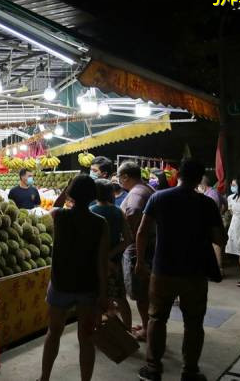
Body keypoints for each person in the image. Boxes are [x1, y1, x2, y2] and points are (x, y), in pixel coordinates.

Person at [136, 160, 225, 381]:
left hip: (163, 269)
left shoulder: (159, 198)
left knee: (156, 318)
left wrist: (140, 262)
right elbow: (219, 239)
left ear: (179, 175)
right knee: (194, 323)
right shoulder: (206, 204)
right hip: (194, 273)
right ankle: (190, 371)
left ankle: (153, 368)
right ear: (199, 179)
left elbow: (142, 232)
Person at [39, 175, 109, 381]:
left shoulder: (60, 216)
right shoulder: (100, 223)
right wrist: (103, 294)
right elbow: (102, 262)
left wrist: (66, 191)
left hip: (61, 283)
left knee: (53, 333)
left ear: (71, 193)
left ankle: (44, 378)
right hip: (88, 287)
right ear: (93, 196)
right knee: (86, 338)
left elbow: (54, 206)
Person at [117, 161, 156, 342]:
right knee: (145, 291)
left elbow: (132, 213)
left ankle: (148, 330)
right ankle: (147, 323)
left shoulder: (136, 194)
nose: (118, 181)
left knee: (141, 293)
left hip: (137, 250)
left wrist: (128, 234)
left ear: (125, 176)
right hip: (147, 246)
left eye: (119, 177)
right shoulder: (145, 188)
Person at [91, 179, 135, 329]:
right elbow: (128, 239)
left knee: (96, 299)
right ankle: (128, 331)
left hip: (95, 264)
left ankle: (97, 334)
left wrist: (103, 257)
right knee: (121, 299)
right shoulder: (118, 211)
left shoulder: (91, 211)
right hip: (114, 264)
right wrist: (110, 256)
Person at [198, 174, 226, 278]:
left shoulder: (210, 194)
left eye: (198, 186)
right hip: (214, 221)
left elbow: (209, 210)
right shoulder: (215, 192)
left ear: (202, 185)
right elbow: (225, 204)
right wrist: (221, 213)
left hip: (210, 223)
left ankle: (218, 269)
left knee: (216, 245)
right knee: (215, 245)